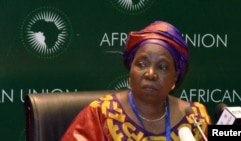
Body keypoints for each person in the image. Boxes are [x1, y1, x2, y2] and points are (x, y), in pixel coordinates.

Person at [61, 20, 212, 141]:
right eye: (142, 64)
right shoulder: (101, 114)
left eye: (162, 67)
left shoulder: (195, 118)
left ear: (175, 78)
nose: (150, 74)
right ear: (130, 69)